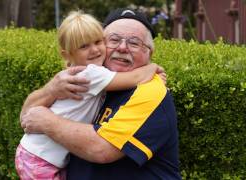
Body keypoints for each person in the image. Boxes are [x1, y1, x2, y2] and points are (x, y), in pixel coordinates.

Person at [21, 8, 181, 180]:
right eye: (113, 40)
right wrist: (50, 90)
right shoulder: (89, 78)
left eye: (134, 43)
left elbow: (101, 149)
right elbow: (26, 116)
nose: (122, 47)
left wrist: (46, 121)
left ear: (150, 52)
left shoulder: (150, 91)